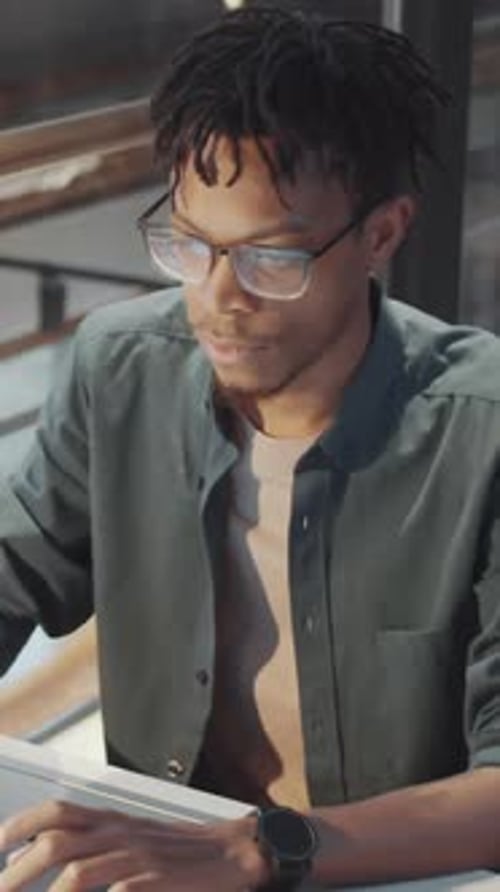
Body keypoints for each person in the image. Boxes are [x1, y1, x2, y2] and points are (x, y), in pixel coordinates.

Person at [1, 5, 500, 890]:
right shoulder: (122, 368)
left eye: (272, 260)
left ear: (382, 234)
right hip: (150, 864)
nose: (219, 301)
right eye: (191, 246)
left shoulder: (483, 430)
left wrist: (268, 846)